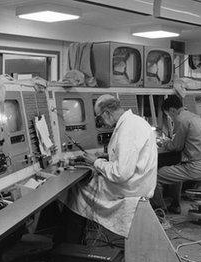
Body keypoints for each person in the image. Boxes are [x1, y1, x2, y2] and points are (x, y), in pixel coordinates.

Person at [56, 94, 158, 244]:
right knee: (81, 189)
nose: (102, 123)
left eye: (99, 118)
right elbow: (129, 157)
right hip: (140, 182)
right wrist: (107, 156)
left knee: (76, 190)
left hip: (130, 189)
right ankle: (73, 240)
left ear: (107, 113)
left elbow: (121, 174)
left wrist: (96, 162)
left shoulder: (127, 130)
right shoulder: (135, 122)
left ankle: (67, 243)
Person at [151, 95, 201, 214]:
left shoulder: (181, 120)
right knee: (176, 172)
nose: (170, 118)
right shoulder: (196, 117)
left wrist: (162, 143)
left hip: (196, 167)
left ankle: (160, 210)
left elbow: (176, 146)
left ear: (172, 110)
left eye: (169, 115)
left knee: (153, 176)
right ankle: (175, 205)